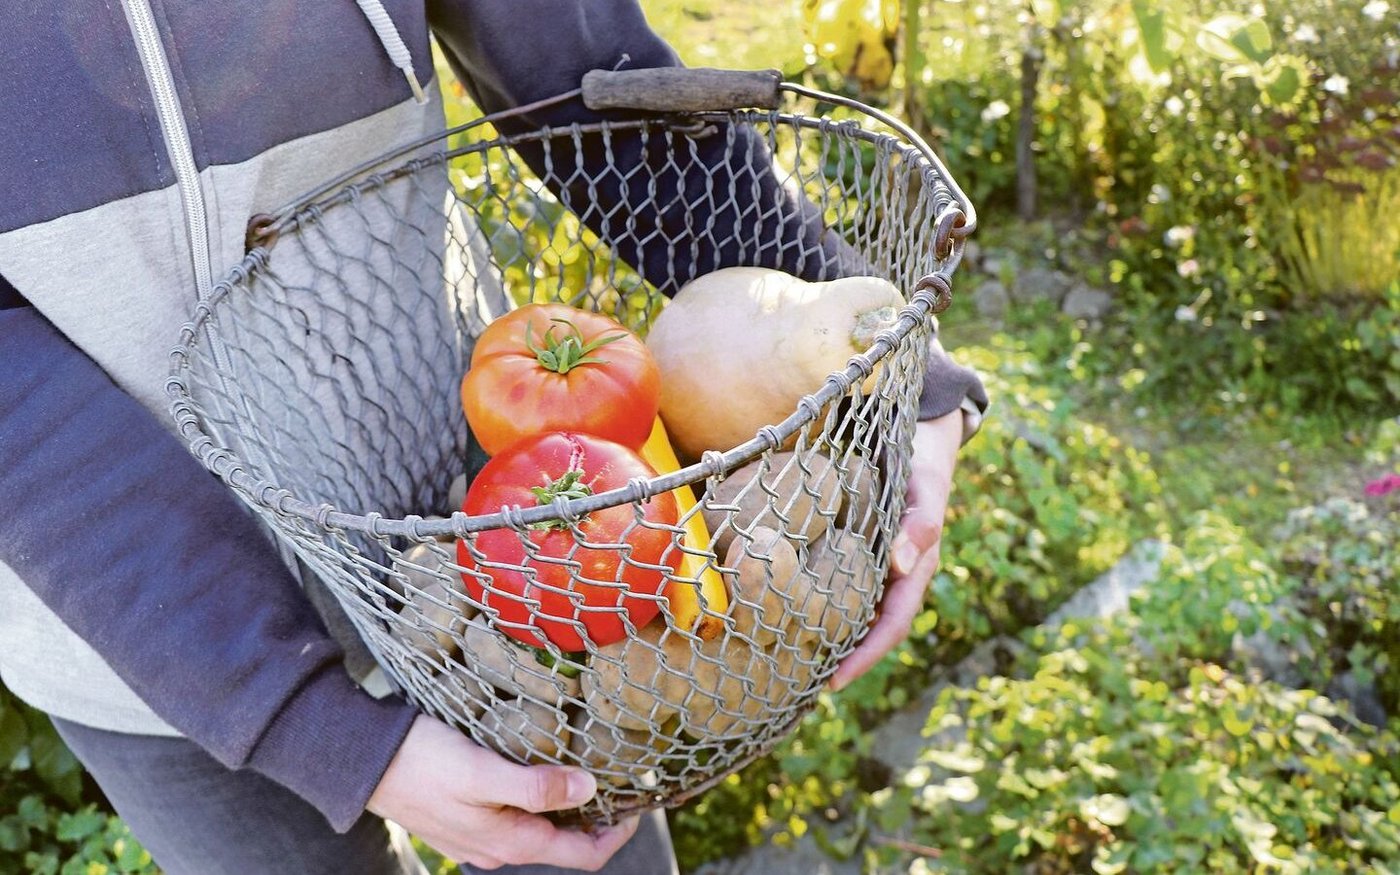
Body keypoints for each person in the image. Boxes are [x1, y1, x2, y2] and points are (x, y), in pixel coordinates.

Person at [0, 1, 987, 873]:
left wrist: (892, 372)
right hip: (150, 633)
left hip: (517, 515)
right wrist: (303, 722)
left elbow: (585, 74)